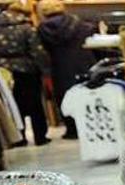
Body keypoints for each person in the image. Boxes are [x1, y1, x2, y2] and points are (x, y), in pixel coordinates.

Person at [0, 1, 49, 146]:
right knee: (35, 104)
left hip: (2, 72)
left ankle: (18, 138)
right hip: (26, 69)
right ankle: (40, 136)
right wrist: (45, 69)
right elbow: (37, 51)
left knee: (11, 104)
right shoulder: (26, 29)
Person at [37, 0, 96, 140]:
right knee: (87, 94)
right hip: (83, 62)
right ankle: (89, 126)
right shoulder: (80, 24)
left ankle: (72, 130)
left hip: (59, 66)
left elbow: (42, 51)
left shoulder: (42, 29)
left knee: (65, 97)